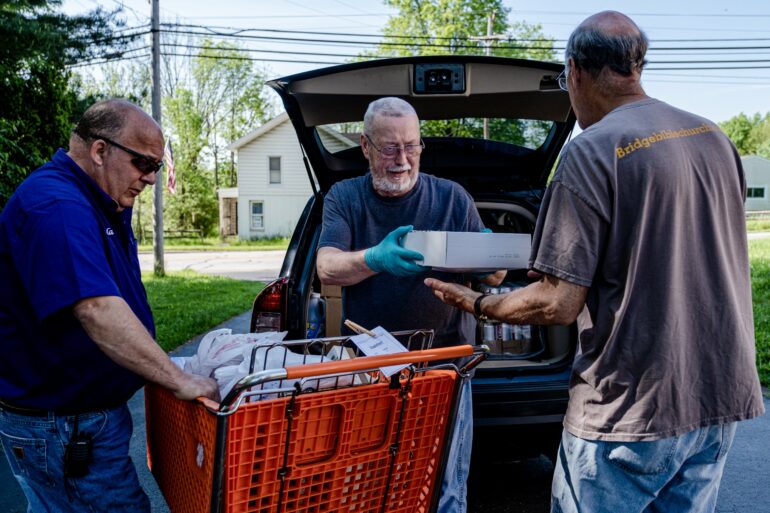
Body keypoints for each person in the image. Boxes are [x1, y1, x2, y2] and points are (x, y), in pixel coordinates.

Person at [426, 11, 765, 513]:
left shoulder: (592, 151)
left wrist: (478, 303)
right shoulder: (713, 137)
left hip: (629, 411)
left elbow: (558, 304)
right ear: (636, 65)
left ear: (577, 72)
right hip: (718, 397)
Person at [0, 99, 220, 512]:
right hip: (64, 426)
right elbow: (96, 308)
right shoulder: (58, 206)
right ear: (100, 151)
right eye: (144, 164)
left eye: (156, 167)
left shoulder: (99, 199)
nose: (152, 179)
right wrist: (178, 378)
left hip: (76, 419)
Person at [316, 96, 504, 513]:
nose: (403, 159)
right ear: (365, 146)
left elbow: (494, 279)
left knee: (444, 485)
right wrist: (374, 259)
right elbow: (326, 266)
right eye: (389, 148)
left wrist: (493, 258)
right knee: (370, 482)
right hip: (370, 368)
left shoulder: (453, 198)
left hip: (446, 367)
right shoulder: (344, 197)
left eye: (412, 146)